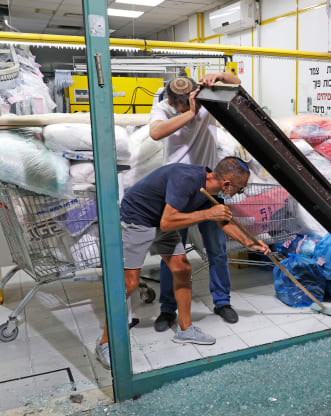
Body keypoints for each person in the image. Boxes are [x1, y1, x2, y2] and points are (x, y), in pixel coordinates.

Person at [95, 157, 270, 369]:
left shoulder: (211, 191)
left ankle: (186, 329)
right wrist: (207, 213)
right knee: (129, 284)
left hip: (163, 223)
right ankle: (105, 343)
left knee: (182, 269)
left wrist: (250, 242)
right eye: (239, 190)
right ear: (226, 184)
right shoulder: (185, 180)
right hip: (138, 220)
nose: (237, 194)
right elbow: (168, 221)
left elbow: (223, 221)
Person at [149, 71, 245, 329]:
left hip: (209, 186)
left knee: (216, 249)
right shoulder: (162, 108)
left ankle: (222, 302)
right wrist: (189, 113)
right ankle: (167, 309)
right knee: (172, 253)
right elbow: (156, 133)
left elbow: (237, 85)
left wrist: (220, 76)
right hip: (176, 190)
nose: (190, 107)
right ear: (171, 103)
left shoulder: (207, 102)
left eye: (191, 102)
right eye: (182, 105)